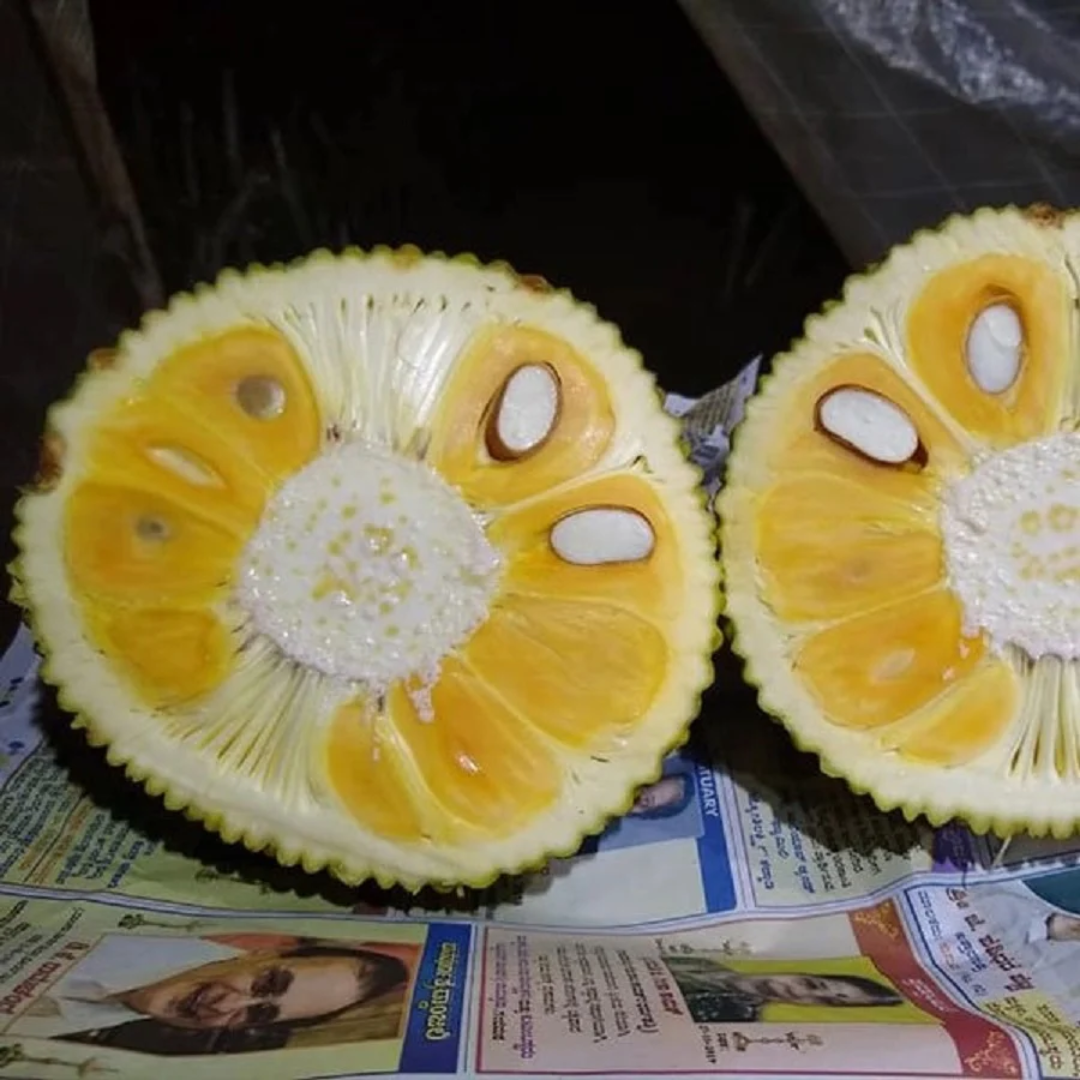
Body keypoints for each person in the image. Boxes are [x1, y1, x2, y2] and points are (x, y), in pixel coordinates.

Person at [13, 932, 411, 1046]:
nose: (227, 1005)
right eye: (266, 983)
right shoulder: (118, 937)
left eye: (258, 1013)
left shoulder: (96, 1018)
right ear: (258, 955)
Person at [664, 952, 903, 1023]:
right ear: (802, 973)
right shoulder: (705, 963)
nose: (801, 993)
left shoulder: (735, 1017)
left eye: (826, 1000)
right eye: (812, 984)